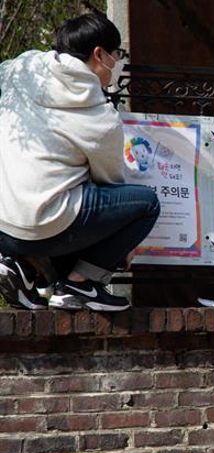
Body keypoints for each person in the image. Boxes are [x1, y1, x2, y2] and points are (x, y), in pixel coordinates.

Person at [0, 12, 160, 312]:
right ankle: (81, 283)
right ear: (100, 54)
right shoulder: (100, 117)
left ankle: (21, 265)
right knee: (145, 205)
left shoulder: (20, 68)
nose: (118, 62)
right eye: (117, 54)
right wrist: (119, 247)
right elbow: (109, 181)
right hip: (45, 226)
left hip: (4, 223)